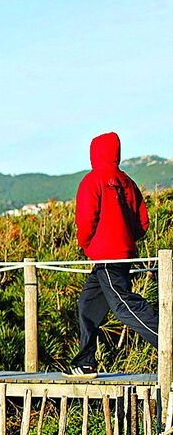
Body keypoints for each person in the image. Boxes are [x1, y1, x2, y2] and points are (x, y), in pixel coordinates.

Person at [64, 132, 156, 379]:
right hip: (121, 255)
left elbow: (85, 220)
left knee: (124, 306)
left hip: (105, 256)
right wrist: (127, 239)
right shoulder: (128, 181)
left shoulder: (92, 180)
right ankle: (85, 362)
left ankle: (167, 341)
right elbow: (143, 222)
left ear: (94, 152)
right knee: (88, 304)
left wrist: (88, 246)